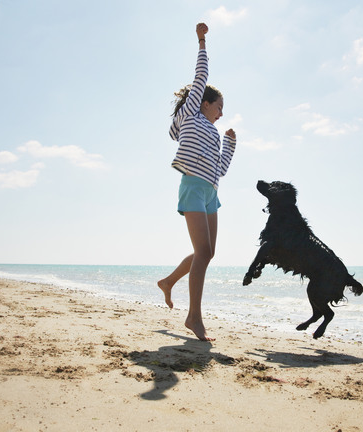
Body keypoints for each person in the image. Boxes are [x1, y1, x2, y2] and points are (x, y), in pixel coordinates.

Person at [157, 22, 237, 341]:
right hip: (192, 187)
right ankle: (194, 317)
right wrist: (202, 41)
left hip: (211, 193)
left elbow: (221, 170)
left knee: (207, 252)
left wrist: (230, 144)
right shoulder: (192, 114)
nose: (221, 114)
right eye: (219, 107)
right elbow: (201, 77)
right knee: (203, 252)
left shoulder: (215, 133)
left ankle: (168, 282)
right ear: (205, 103)